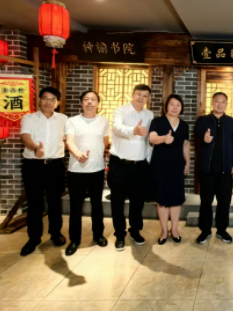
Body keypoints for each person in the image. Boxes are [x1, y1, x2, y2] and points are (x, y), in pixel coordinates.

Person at [19, 87, 68, 256]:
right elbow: (25, 137)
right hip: (33, 165)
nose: (48, 102)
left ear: (58, 103)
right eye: (45, 98)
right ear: (39, 100)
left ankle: (56, 233)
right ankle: (34, 238)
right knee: (34, 203)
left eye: (52, 99)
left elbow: (70, 139)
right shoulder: (29, 118)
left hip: (55, 165)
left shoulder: (63, 119)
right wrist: (35, 148)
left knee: (55, 201)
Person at [64, 90, 111, 256]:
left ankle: (98, 235)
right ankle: (74, 240)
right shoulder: (72, 121)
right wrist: (79, 155)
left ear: (98, 103)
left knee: (97, 205)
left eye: (93, 99)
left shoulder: (103, 121)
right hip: (76, 170)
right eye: (86, 99)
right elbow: (69, 142)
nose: (90, 102)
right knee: (75, 207)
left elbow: (105, 142)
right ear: (81, 103)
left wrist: (97, 155)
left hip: (96, 169)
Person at [108, 84, 153, 251]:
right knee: (117, 201)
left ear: (148, 98)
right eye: (139, 94)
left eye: (145, 96)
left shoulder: (149, 114)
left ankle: (135, 231)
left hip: (140, 165)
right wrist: (134, 130)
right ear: (133, 94)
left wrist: (148, 160)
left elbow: (148, 140)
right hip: (120, 164)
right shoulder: (120, 111)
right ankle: (120, 234)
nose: (141, 98)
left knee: (137, 201)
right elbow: (117, 128)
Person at [194, 92, 233, 244]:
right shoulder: (203, 120)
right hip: (207, 169)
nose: (220, 104)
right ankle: (205, 231)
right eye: (217, 101)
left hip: (225, 170)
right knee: (206, 202)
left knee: (224, 202)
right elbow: (197, 135)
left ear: (226, 104)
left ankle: (222, 230)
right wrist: (204, 138)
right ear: (212, 103)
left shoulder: (231, 122)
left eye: (223, 102)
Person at [149, 94, 190, 245]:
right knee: (162, 200)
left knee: (176, 199)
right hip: (160, 164)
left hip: (177, 165)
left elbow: (185, 145)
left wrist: (188, 162)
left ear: (181, 107)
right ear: (166, 106)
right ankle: (164, 231)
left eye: (178, 105)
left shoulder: (184, 125)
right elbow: (152, 138)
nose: (175, 107)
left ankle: (175, 230)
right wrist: (163, 139)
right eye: (172, 104)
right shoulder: (157, 122)